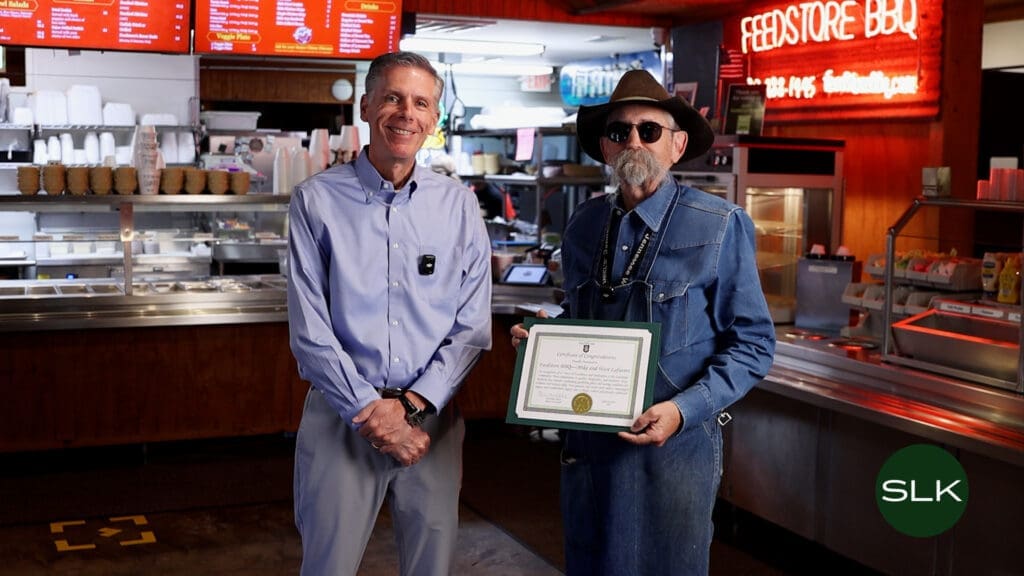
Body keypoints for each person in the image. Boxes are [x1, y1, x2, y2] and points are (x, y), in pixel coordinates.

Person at [510, 69, 776, 575]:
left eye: (648, 130)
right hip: (588, 451)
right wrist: (547, 337)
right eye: (619, 131)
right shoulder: (585, 226)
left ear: (677, 146)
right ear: (605, 148)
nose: (633, 141)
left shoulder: (720, 224)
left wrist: (682, 409)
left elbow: (753, 345)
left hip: (672, 452)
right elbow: (585, 316)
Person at [287, 51, 493, 576]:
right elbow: (311, 333)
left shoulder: (459, 205)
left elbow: (471, 326)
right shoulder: (316, 201)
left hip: (433, 422)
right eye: (393, 98)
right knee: (327, 567)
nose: (406, 113)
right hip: (342, 418)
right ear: (366, 106)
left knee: (432, 566)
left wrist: (413, 406)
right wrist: (375, 415)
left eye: (421, 103)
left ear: (434, 118)